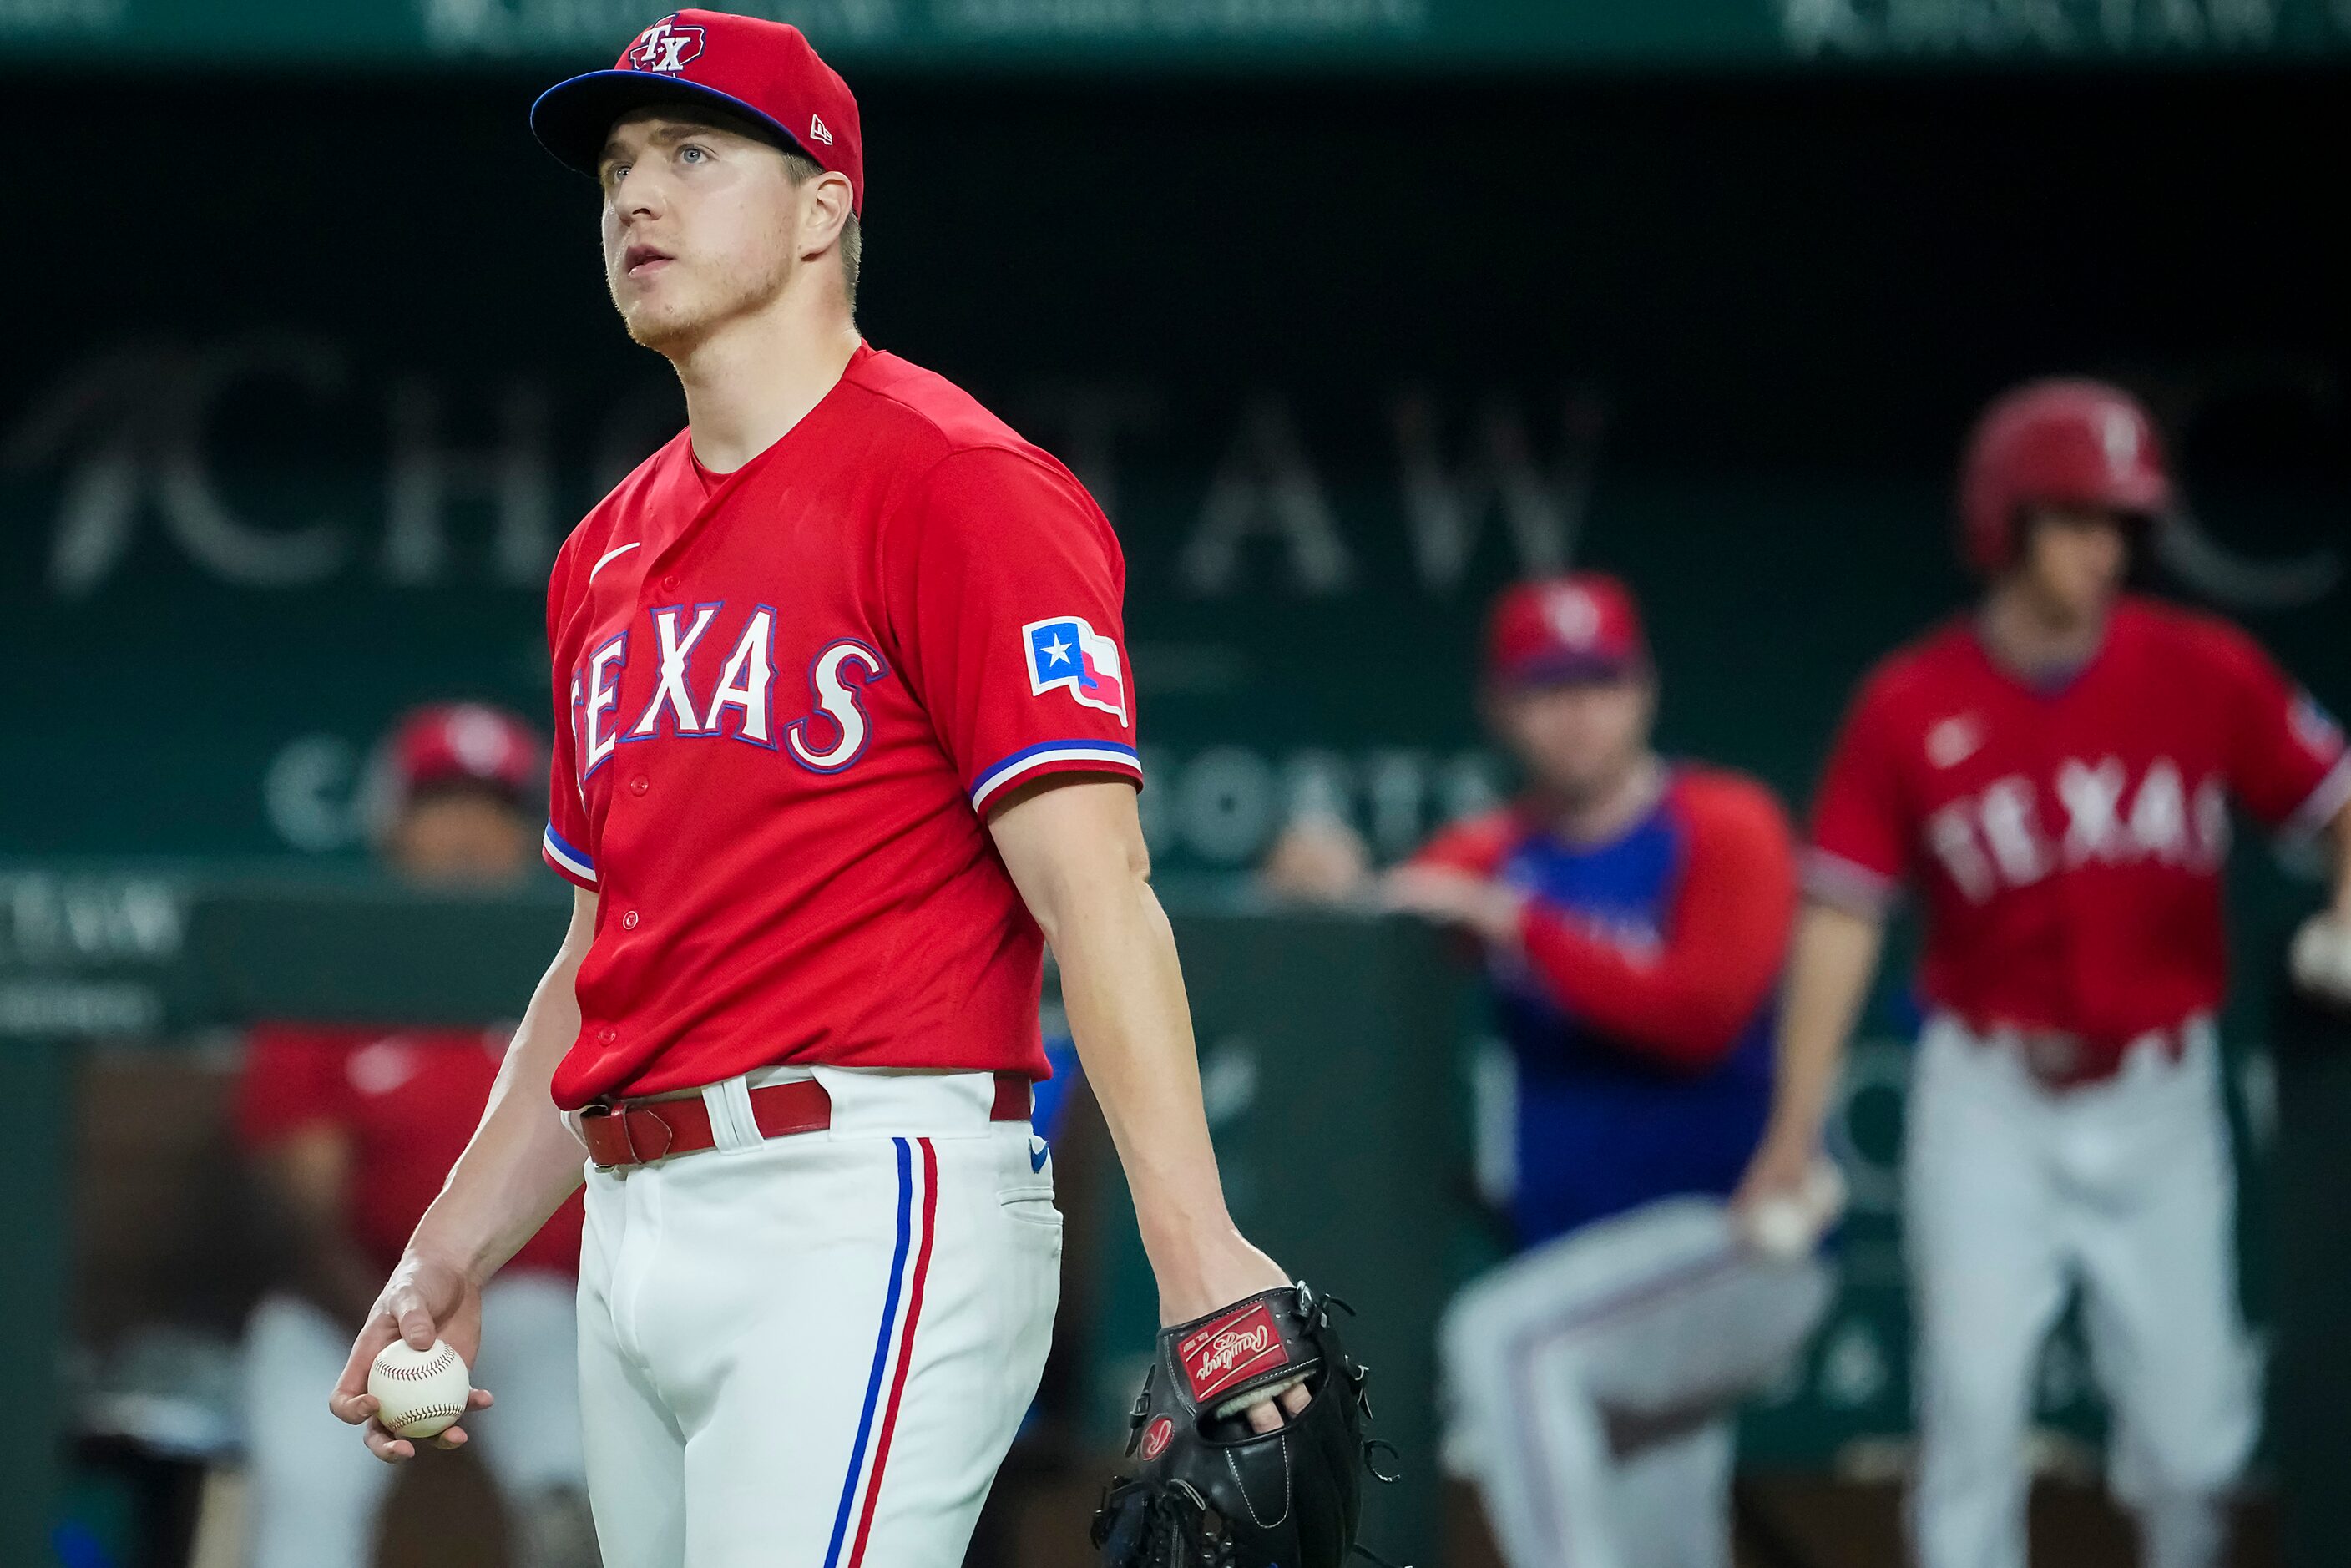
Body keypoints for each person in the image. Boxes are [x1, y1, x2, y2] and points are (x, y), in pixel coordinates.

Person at [326, 13, 1313, 1566]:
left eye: (696, 154)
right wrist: (451, 1244)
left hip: (867, 1197)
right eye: (619, 167)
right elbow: (598, 960)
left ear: (823, 207)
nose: (637, 198)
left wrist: (1194, 1251)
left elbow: (1097, 888)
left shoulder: (956, 485)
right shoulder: (605, 551)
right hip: (631, 1223)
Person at [1733, 378, 2351, 1568]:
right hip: (1990, 1097)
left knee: (2193, 1449)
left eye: (2121, 522)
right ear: (2002, 524)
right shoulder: (1911, 702)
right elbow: (1844, 916)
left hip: (2160, 1095)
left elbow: (2334, 799)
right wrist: (1796, 1122)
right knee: (1969, 1420)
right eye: (2073, 519)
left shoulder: (2206, 668)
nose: (2103, 549)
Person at [1386, 573, 1833, 1568]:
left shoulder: (1722, 822)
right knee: (1657, 1540)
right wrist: (1333, 881)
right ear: (1501, 709)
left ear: (1641, 692)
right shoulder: (1501, 848)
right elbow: (1400, 912)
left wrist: (1520, 927)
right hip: (1589, 1278)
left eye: (1598, 682)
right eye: (1547, 688)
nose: (1578, 713)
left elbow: (1700, 1015)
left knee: (1500, 1345)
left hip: (1734, 1236)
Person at [238, 703, 595, 1568]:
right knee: (303, 1495)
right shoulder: (332, 973)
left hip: (531, 1306)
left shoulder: (576, 976)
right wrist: (399, 1323)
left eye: (492, 809)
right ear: (393, 826)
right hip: (339, 1312)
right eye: (441, 806)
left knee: (574, 1485)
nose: (467, 836)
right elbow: (300, 1218)